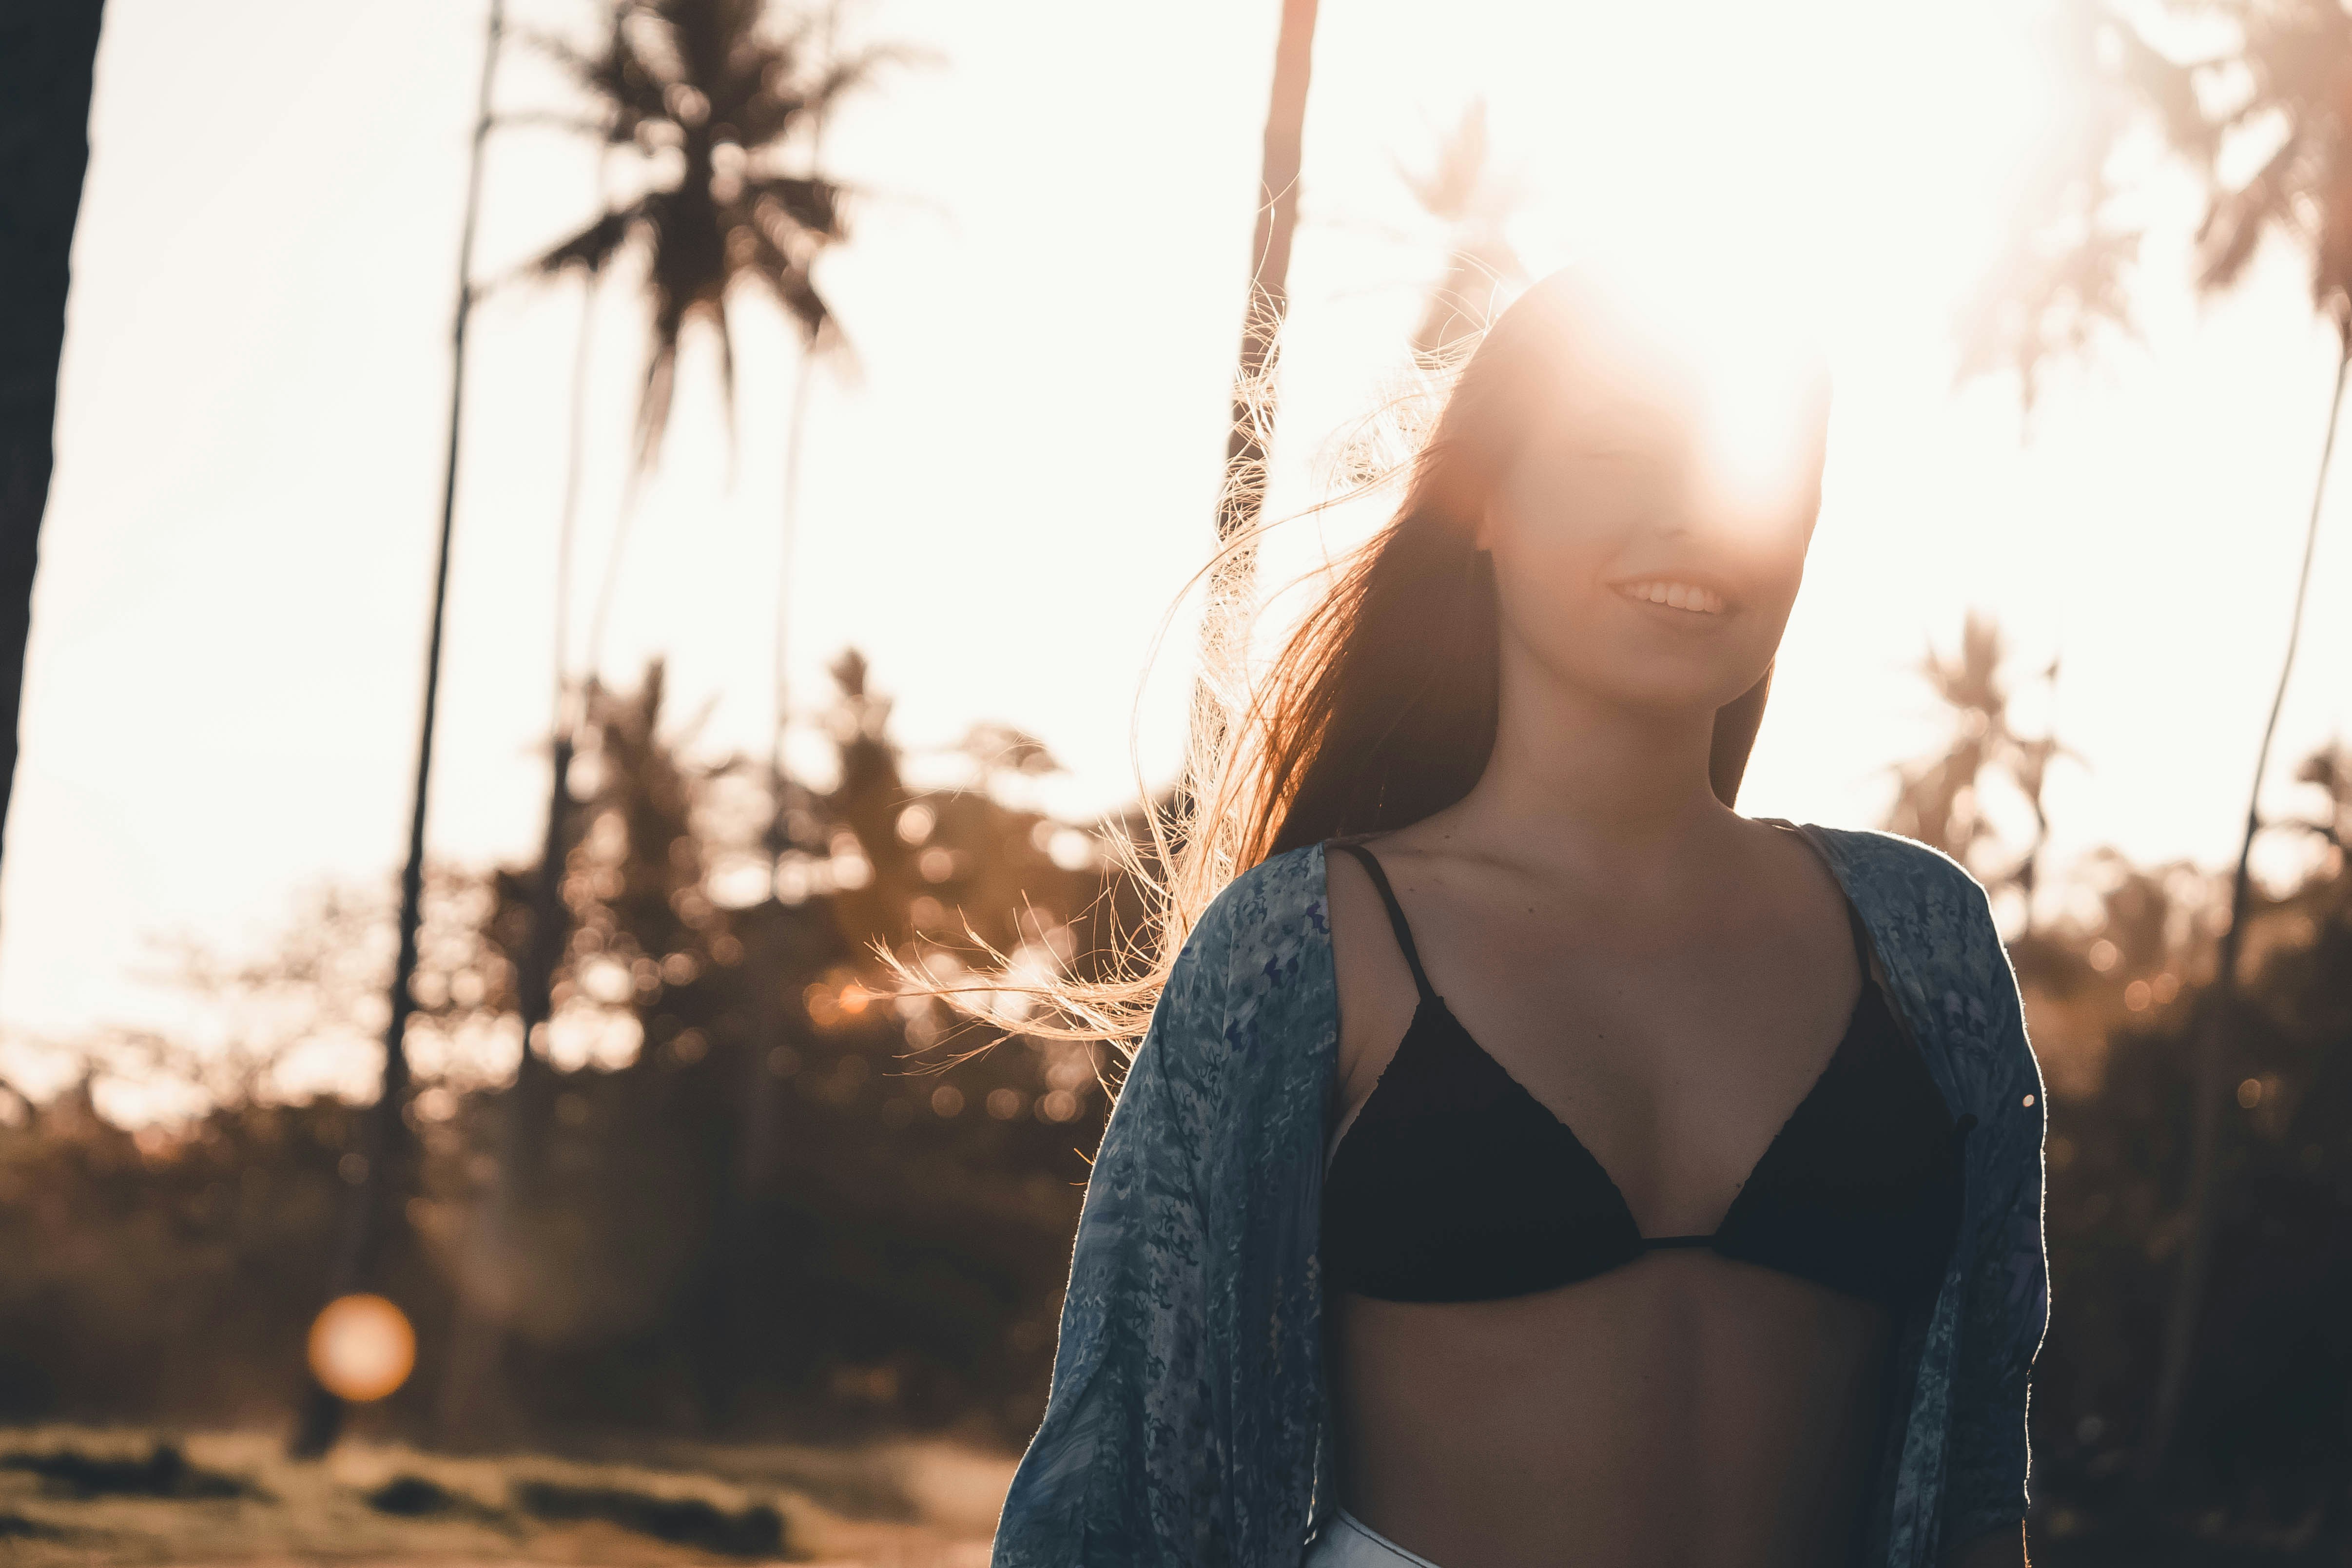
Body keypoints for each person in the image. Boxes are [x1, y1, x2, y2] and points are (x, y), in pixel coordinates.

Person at [985, 266, 2047, 1568]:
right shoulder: (1309, 947)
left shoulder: (1918, 941)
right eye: (1616, 454)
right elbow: (1124, 1485)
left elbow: (1976, 1484)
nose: (1694, 516)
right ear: (1481, 500)